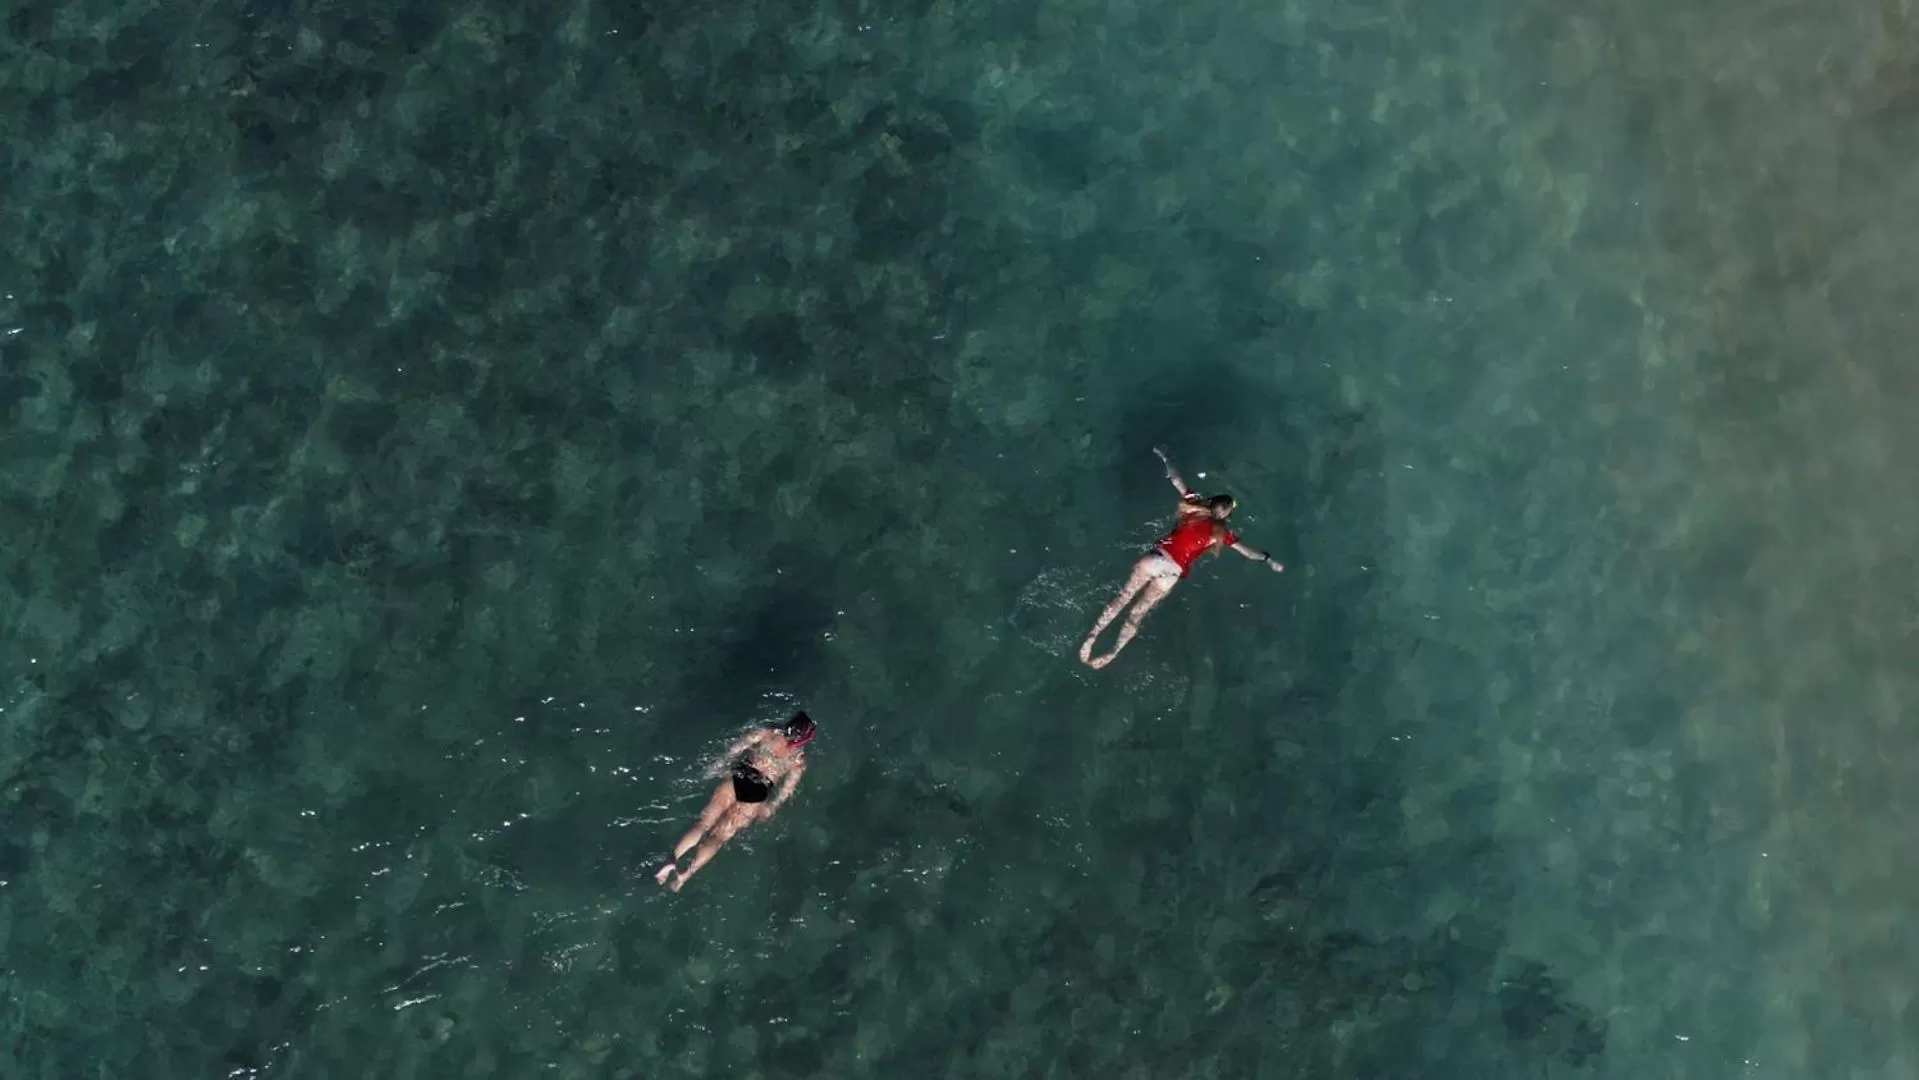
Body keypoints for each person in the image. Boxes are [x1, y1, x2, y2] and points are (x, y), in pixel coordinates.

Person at [1078, 447, 1284, 669]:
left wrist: (1165, 456)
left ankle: (1093, 636)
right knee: (1137, 614)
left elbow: (1176, 479)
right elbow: (1248, 553)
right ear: (1228, 516)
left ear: (1211, 502)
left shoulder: (1195, 506)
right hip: (1172, 574)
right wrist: (1269, 560)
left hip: (1157, 559)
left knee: (1123, 597)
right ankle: (1113, 652)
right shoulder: (1223, 533)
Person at [656, 712, 815, 892]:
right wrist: (772, 807)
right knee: (719, 837)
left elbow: (736, 748)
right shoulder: (798, 762)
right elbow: (786, 791)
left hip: (739, 777)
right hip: (757, 793)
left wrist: (718, 764)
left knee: (703, 823)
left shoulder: (767, 733)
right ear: (804, 739)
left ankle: (673, 858)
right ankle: (686, 875)